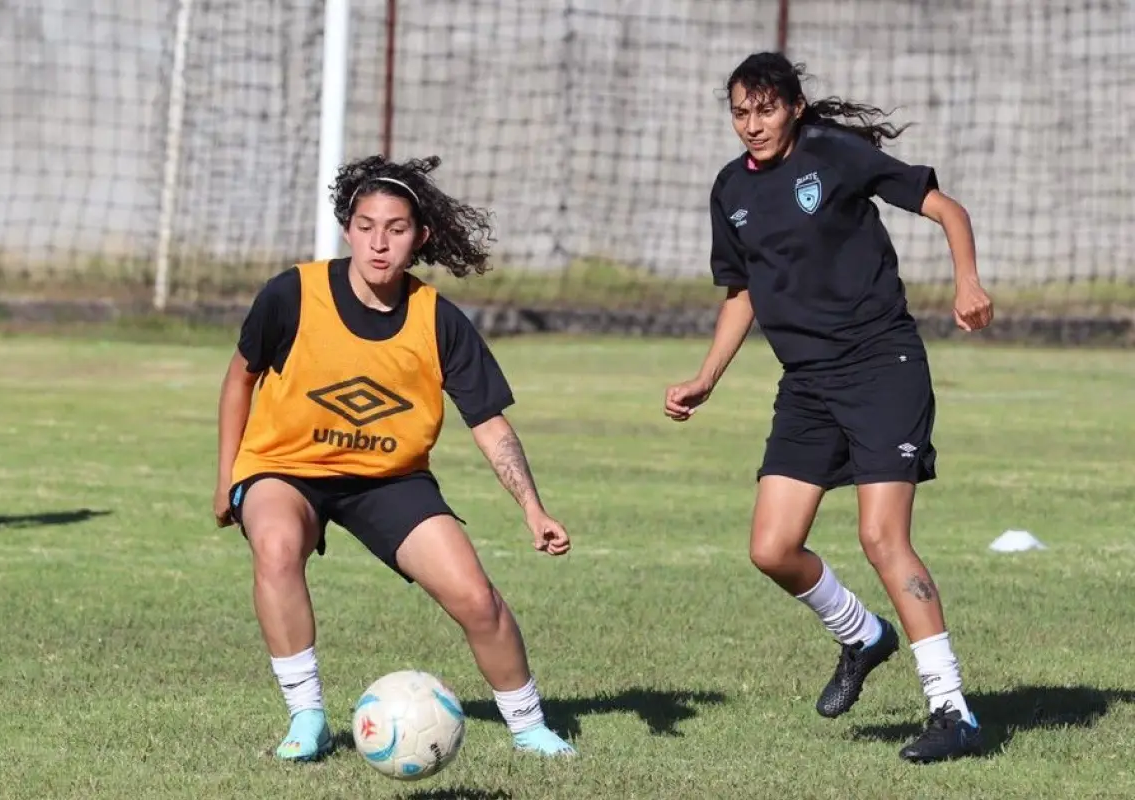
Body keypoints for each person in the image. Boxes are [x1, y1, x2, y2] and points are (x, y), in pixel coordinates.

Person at [664, 52, 994, 764]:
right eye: (740, 112)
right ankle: (862, 634)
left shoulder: (836, 156)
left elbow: (947, 210)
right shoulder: (729, 190)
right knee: (771, 549)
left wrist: (967, 283)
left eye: (766, 110)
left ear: (795, 107)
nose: (752, 125)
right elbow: (742, 293)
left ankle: (952, 710)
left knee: (882, 537)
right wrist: (705, 378)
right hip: (805, 384)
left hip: (881, 367)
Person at [213, 154, 577, 762]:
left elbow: (490, 425)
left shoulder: (439, 321)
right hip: (285, 467)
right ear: (347, 227)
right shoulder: (293, 294)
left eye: (396, 228)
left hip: (390, 479)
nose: (379, 243)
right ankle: (306, 719)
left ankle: (530, 727)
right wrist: (227, 477)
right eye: (366, 225)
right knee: (276, 547)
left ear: (420, 237)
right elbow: (238, 380)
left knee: (476, 597)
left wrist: (533, 509)